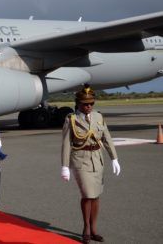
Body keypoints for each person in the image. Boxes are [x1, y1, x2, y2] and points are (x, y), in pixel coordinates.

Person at [61, 85, 121, 244]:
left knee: (96, 195)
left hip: (97, 159)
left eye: (91, 103)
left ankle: (94, 229)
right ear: (78, 103)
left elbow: (107, 138)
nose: (88, 106)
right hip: (80, 160)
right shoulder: (71, 119)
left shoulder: (98, 117)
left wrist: (114, 158)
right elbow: (66, 144)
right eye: (85, 104)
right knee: (88, 194)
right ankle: (86, 228)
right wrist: (65, 166)